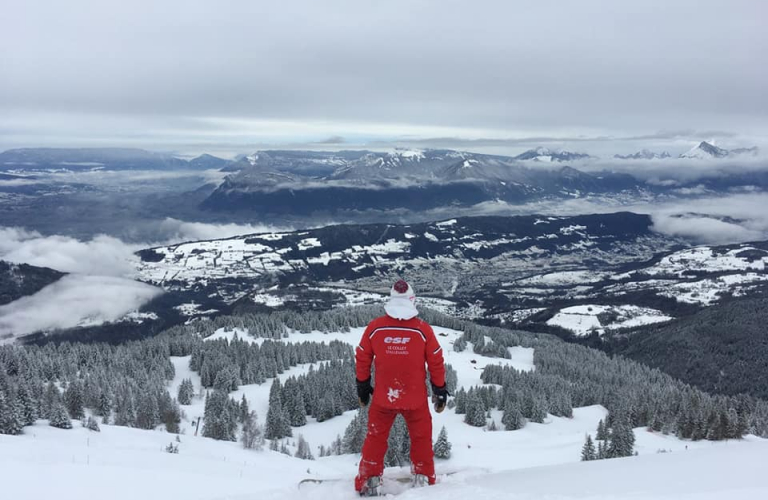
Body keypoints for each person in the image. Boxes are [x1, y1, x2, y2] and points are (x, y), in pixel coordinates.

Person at [354, 279, 449, 495]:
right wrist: (440, 390)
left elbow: (362, 356)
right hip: (415, 398)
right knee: (421, 437)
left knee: (376, 437)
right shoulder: (422, 330)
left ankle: (369, 478)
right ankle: (423, 475)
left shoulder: (375, 328)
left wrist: (362, 384)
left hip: (383, 397)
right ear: (412, 300)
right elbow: (436, 360)